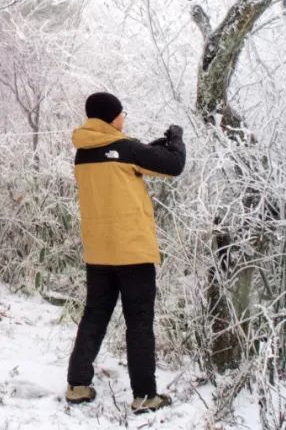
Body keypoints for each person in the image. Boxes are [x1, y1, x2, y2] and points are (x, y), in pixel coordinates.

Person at [64, 91, 186, 414]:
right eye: (121, 113)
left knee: (95, 315)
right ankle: (145, 395)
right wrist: (175, 140)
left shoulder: (83, 154)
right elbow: (174, 166)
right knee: (139, 322)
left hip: (99, 253)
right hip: (133, 252)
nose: (124, 117)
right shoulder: (127, 148)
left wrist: (150, 147)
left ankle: (77, 384)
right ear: (110, 117)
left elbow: (120, 158)